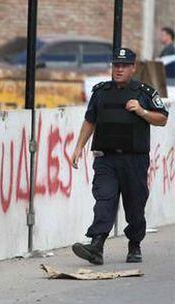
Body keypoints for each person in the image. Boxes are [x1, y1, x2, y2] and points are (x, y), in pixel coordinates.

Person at [70, 48, 168, 265]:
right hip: (106, 158)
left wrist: (142, 111)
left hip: (134, 159)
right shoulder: (101, 92)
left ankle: (134, 245)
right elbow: (90, 120)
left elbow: (162, 118)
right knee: (104, 199)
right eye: (116, 65)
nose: (119, 69)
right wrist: (79, 147)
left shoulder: (144, 92)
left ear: (133, 68)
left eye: (124, 65)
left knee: (135, 205)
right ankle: (96, 246)